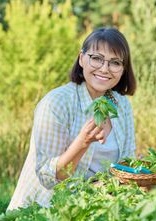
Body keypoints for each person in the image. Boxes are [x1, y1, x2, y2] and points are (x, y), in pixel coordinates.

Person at [7, 27, 136, 210]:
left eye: (115, 62)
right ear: (81, 58)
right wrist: (82, 142)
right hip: (44, 213)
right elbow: (48, 177)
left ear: (123, 69)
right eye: (96, 58)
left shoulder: (121, 105)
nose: (105, 68)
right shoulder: (56, 103)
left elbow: (126, 164)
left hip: (99, 208)